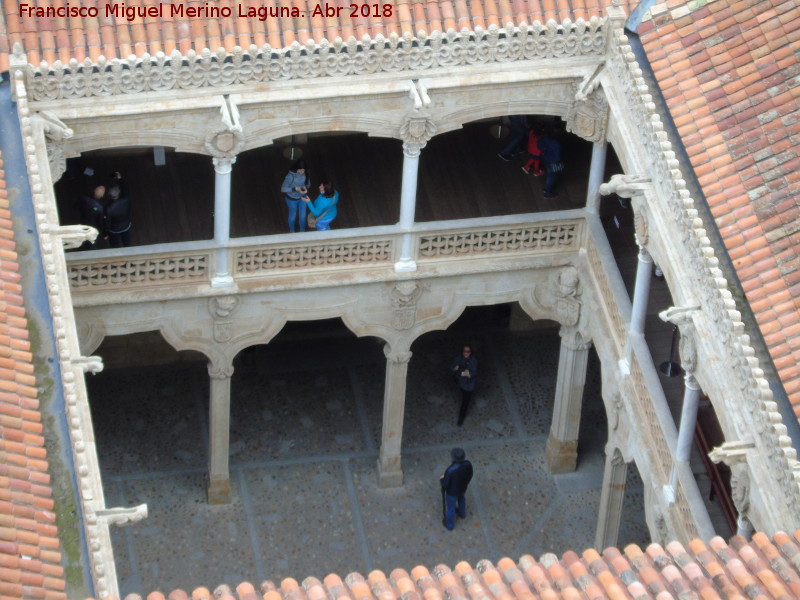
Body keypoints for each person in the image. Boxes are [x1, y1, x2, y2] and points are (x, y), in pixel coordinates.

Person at [439, 447, 473, 531]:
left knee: (451, 508)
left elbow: (445, 484)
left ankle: (449, 525)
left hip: (452, 492)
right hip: (462, 487)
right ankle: (462, 513)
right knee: (461, 499)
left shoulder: (450, 470)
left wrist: (441, 479)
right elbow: (470, 475)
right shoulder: (468, 464)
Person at [450, 344, 477, 426]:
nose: (466, 353)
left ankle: (461, 419)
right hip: (461, 382)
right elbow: (451, 368)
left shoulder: (473, 360)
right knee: (463, 394)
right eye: (464, 351)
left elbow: (474, 372)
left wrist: (469, 374)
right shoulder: (459, 358)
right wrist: (455, 368)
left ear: (471, 352)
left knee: (465, 402)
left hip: (469, 385)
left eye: (468, 351)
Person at [280, 159, 310, 233]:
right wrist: (296, 188)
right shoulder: (290, 176)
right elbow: (283, 189)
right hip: (291, 199)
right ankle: (292, 231)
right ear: (296, 168)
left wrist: (305, 189)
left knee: (303, 217)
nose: (302, 172)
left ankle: (302, 232)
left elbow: (308, 184)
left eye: (303, 170)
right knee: (292, 216)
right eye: (300, 170)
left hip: (303, 197)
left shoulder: (306, 174)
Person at [105, 171, 132, 248]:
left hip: (114, 230)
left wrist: (105, 233)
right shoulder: (126, 198)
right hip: (126, 225)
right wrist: (120, 179)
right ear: (119, 192)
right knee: (127, 243)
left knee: (115, 245)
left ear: (109, 195)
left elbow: (107, 222)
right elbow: (126, 188)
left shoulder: (108, 208)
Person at [77, 185, 106, 250]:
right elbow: (100, 221)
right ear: (102, 196)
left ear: (94, 190)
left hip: (83, 223)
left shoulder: (83, 198)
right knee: (92, 243)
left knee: (82, 240)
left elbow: (76, 207)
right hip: (94, 228)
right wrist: (102, 231)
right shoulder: (101, 208)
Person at [538, 129, 563, 198]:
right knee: (551, 176)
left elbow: (539, 146)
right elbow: (557, 157)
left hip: (545, 158)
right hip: (552, 162)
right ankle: (548, 192)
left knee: (550, 175)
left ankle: (548, 188)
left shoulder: (545, 137)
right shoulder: (557, 145)